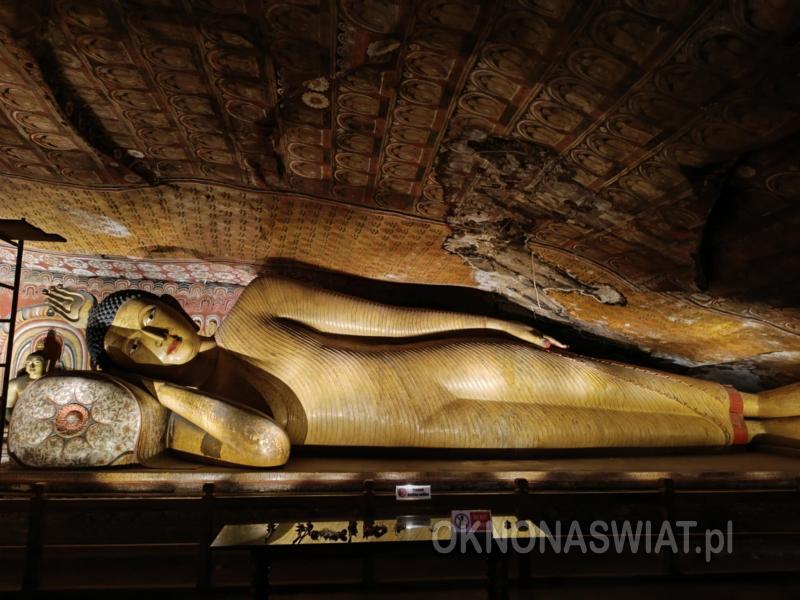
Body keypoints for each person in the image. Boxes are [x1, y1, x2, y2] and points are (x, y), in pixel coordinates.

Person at [43, 277, 800, 468]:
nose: (156, 339)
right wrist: (166, 395)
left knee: (615, 387)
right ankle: (755, 428)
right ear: (126, 371)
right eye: (135, 348)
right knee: (632, 435)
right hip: (437, 427)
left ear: (175, 304)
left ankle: (764, 405)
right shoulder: (205, 421)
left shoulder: (258, 308)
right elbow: (268, 448)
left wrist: (492, 324)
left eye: (153, 316)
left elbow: (385, 318)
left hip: (453, 368)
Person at [5, 352, 48, 424]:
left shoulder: (51, 382)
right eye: (28, 363)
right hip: (21, 420)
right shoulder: (15, 384)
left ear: (44, 365)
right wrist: (15, 423)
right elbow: (7, 408)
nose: (32, 366)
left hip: (44, 419)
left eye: (37, 363)